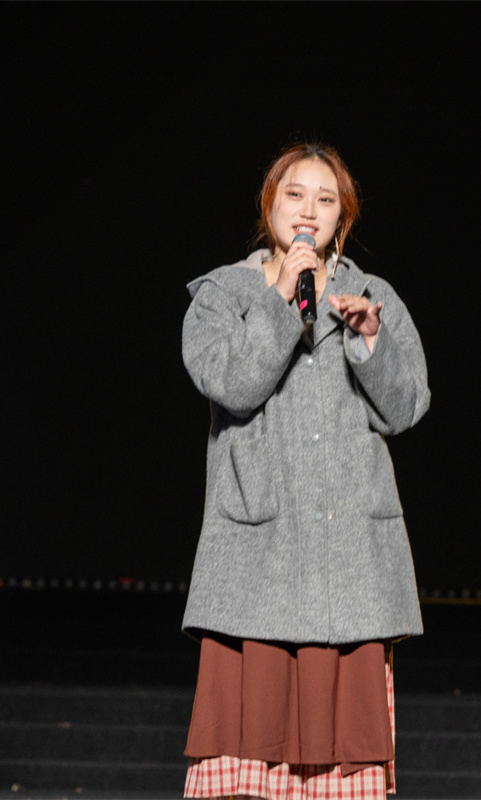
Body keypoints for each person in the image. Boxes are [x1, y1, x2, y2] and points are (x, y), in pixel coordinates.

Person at [179, 142, 430, 799]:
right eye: (295, 194)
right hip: (256, 557)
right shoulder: (223, 295)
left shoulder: (372, 295)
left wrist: (370, 341)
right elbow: (232, 384)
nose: (309, 211)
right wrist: (283, 298)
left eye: (326, 200)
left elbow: (406, 406)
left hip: (349, 562)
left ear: (343, 217)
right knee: (246, 769)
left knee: (343, 774)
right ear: (270, 204)